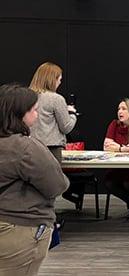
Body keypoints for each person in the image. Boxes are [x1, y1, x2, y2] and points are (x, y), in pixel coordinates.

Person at [0, 84, 69, 275]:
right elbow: (57, 185)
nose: (37, 115)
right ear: (20, 113)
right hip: (22, 229)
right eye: (34, 110)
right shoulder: (26, 148)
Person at [29, 62, 77, 162]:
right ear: (52, 80)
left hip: (30, 147)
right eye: (59, 80)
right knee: (51, 177)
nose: (60, 83)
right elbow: (66, 127)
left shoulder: (27, 97)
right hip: (52, 149)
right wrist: (72, 114)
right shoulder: (56, 99)